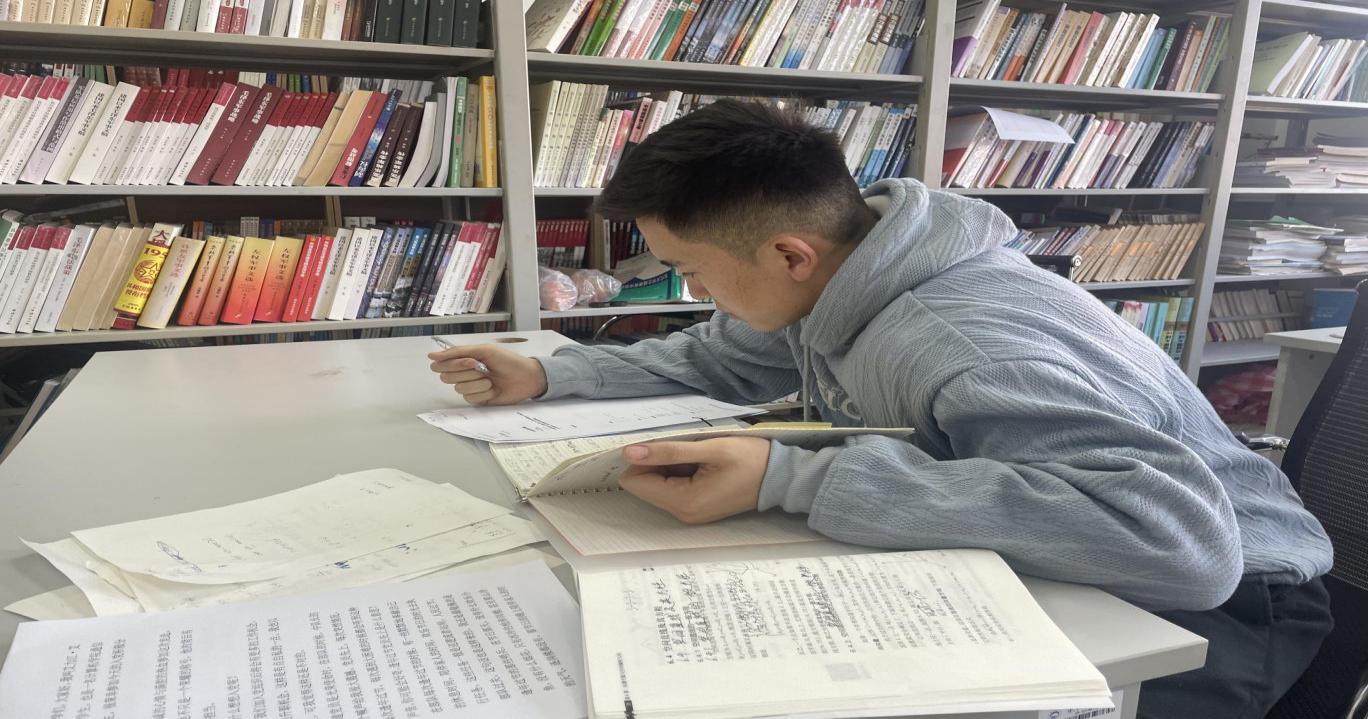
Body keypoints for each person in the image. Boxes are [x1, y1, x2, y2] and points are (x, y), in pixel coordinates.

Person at [428, 99, 1333, 717]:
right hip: (1066, 554)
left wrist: (792, 479)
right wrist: (553, 376)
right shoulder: (844, 269)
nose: (694, 293)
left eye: (694, 271)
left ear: (788, 253)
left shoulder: (964, 340)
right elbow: (723, 356)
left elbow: (1182, 546)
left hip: (1225, 607)